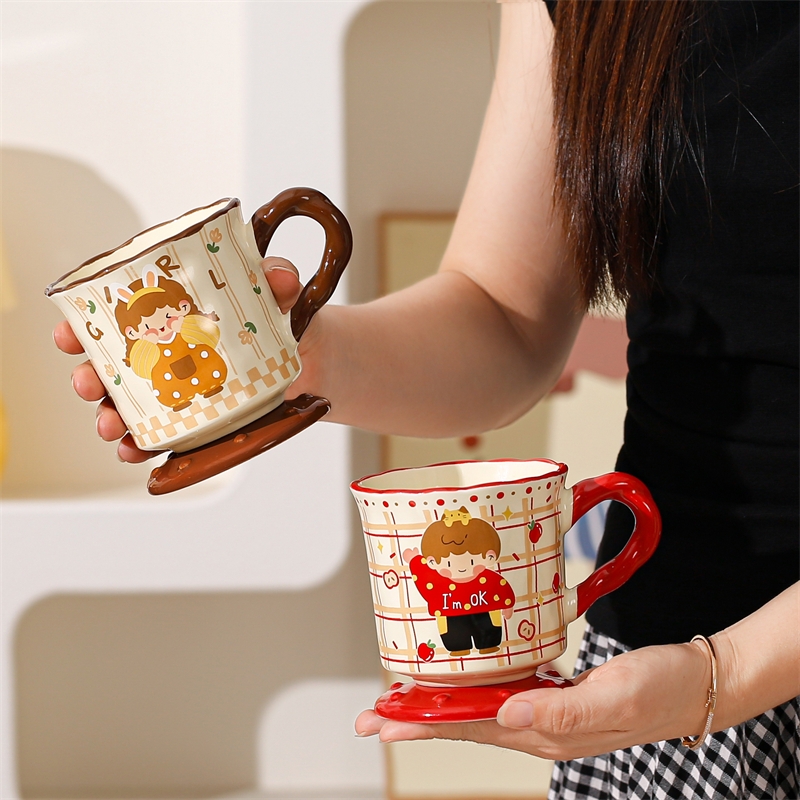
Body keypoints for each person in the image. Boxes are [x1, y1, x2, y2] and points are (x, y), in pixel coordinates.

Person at [54, 0, 798, 797]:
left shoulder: (709, 678)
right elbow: (502, 315)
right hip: (668, 669)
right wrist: (291, 356)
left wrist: (734, 675)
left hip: (709, 681)